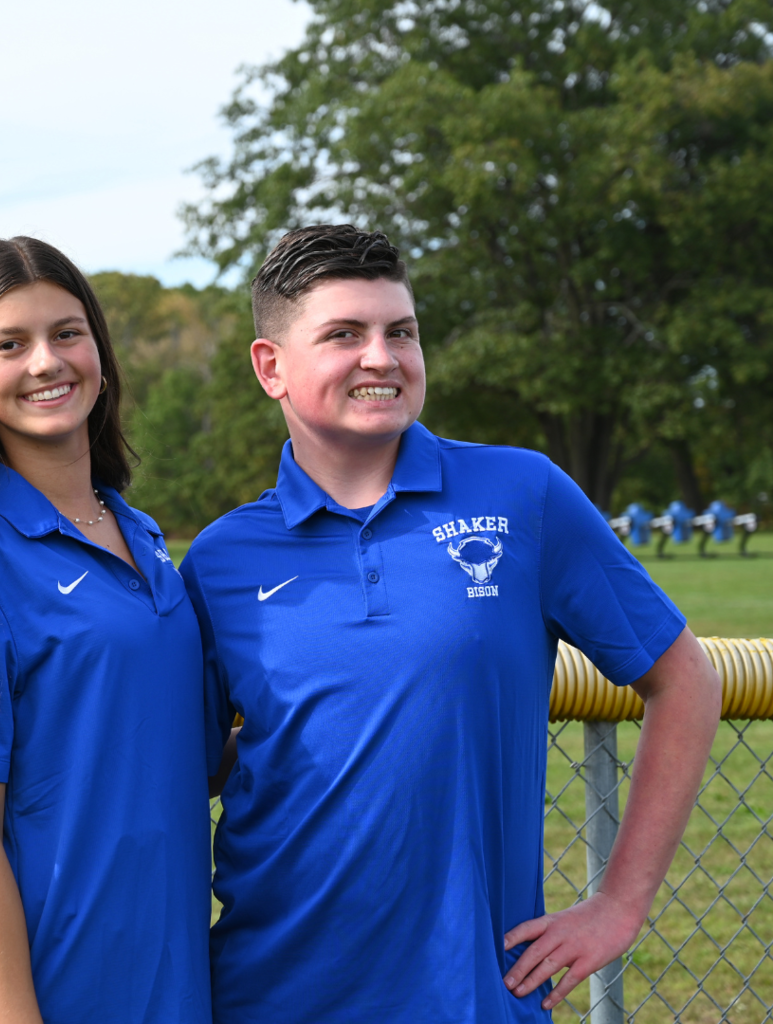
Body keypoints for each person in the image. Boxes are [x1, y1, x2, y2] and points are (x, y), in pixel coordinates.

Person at [181, 225, 721, 1023]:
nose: (382, 357)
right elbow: (186, 770)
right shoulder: (222, 558)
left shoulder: (522, 493)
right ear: (272, 368)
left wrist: (620, 903)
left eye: (400, 331)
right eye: (344, 335)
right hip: (268, 994)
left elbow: (685, 678)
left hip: (474, 997)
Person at [0, 237, 212, 1024]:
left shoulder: (147, 537)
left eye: (67, 333)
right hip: (34, 999)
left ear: (99, 351)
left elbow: (185, 758)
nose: (46, 362)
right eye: (9, 343)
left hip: (166, 990)